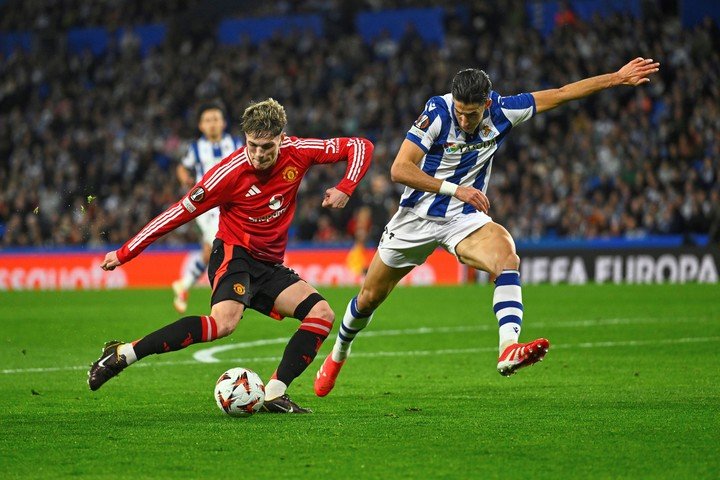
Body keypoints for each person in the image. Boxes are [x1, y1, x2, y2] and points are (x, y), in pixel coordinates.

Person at [314, 57, 660, 397]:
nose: (464, 119)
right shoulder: (436, 111)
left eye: (473, 113)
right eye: (461, 112)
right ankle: (338, 354)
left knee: (507, 257)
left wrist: (616, 77)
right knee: (370, 297)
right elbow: (399, 169)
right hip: (415, 219)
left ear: (487, 103)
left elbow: (562, 92)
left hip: (463, 218)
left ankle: (508, 347)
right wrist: (455, 188)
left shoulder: (504, 111)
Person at [88, 98, 373, 413]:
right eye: (252, 145)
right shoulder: (227, 173)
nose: (259, 154)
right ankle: (122, 354)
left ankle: (274, 393)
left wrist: (347, 186)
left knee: (322, 315)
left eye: (267, 146)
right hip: (233, 253)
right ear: (245, 139)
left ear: (281, 137)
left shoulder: (299, 150)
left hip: (268, 264)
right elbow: (177, 213)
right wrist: (126, 252)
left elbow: (360, 146)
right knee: (223, 323)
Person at [172, 103, 242, 313]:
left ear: (224, 122)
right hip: (206, 205)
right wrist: (186, 181)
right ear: (201, 125)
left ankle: (184, 284)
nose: (212, 124)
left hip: (231, 203)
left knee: (209, 251)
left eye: (216, 119)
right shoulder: (195, 148)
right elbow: (182, 167)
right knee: (219, 242)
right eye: (208, 120)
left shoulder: (236, 142)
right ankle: (224, 294)